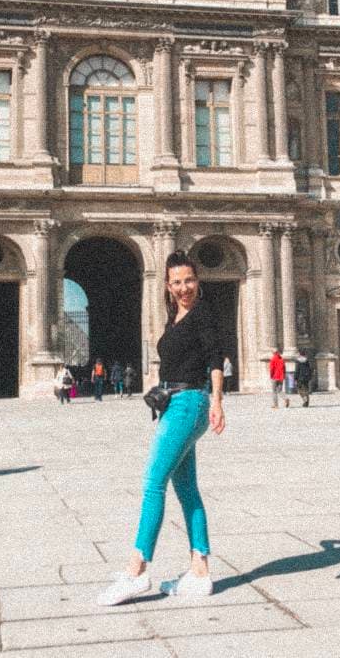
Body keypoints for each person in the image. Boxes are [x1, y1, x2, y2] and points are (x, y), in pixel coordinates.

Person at [97, 250, 225, 606]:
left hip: (189, 404)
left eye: (189, 280)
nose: (184, 287)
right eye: (177, 282)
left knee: (153, 483)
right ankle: (199, 571)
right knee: (187, 490)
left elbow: (216, 357)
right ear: (167, 286)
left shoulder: (202, 312)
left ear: (197, 281)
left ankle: (137, 570)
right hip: (178, 402)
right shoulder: (177, 316)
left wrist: (217, 401)